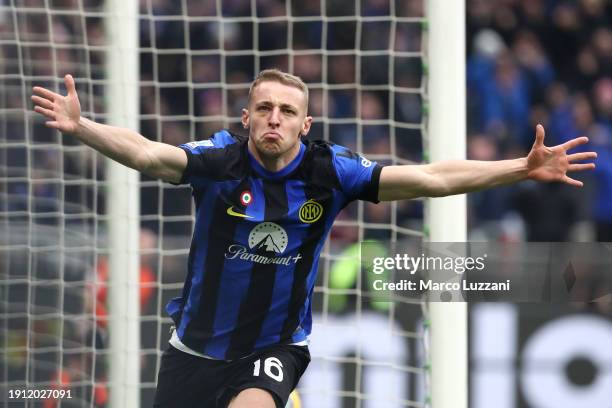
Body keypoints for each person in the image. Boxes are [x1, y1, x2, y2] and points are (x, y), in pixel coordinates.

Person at [32, 69, 597, 408]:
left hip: (273, 347)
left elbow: (430, 178)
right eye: (264, 109)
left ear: (305, 124)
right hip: (194, 348)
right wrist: (84, 127)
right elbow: (148, 155)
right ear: (247, 117)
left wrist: (519, 169)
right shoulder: (219, 162)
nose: (274, 119)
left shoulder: (332, 172)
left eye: (287, 111)